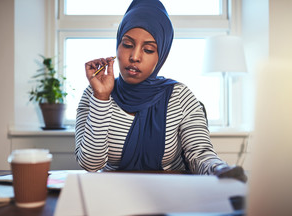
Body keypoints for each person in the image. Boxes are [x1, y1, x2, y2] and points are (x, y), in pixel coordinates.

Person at [75, 0, 247, 182]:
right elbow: (91, 164)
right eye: (127, 45)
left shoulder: (180, 95)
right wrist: (101, 98)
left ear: (162, 54)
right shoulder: (94, 93)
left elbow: (200, 154)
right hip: (114, 189)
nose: (134, 57)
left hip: (171, 189)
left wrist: (219, 169)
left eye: (148, 49)